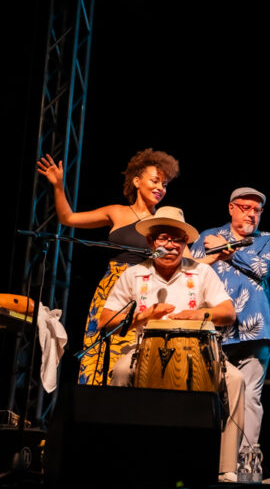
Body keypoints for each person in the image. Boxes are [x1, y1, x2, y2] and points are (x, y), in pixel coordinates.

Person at [99, 206, 245, 482]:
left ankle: (226, 468)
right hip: (144, 350)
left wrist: (197, 314)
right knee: (120, 373)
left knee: (235, 379)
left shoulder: (200, 273)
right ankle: (121, 456)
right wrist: (146, 315)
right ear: (151, 242)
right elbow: (106, 321)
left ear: (185, 244)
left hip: (200, 351)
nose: (171, 245)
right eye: (164, 238)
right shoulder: (134, 275)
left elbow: (228, 313)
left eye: (177, 239)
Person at [36, 149, 180, 385]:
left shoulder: (162, 223)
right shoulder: (117, 212)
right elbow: (68, 219)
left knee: (134, 359)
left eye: (164, 184)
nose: (160, 188)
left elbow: (187, 258)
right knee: (101, 353)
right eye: (155, 181)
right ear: (136, 180)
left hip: (144, 291)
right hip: (111, 290)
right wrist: (59, 186)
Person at [191, 187, 270, 469]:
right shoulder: (207, 235)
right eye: (245, 208)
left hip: (255, 331)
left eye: (256, 210)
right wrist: (213, 249)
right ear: (231, 208)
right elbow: (190, 271)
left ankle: (247, 467)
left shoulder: (268, 240)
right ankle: (207, 463)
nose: (251, 214)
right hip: (214, 332)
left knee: (251, 398)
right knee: (210, 397)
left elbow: (262, 268)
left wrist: (224, 252)